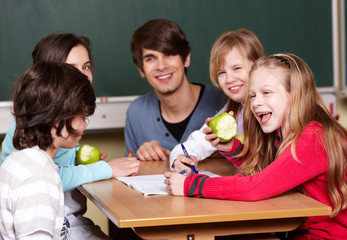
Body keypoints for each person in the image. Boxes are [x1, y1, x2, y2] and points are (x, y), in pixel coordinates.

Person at [164, 53, 347, 239]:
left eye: (266, 93)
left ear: (296, 94)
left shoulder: (314, 139)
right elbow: (273, 174)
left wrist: (192, 185)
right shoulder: (286, 134)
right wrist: (232, 147)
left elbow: (256, 187)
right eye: (253, 95)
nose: (256, 103)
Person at [1, 33, 140, 239]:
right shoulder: (39, 177)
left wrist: (77, 157)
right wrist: (104, 169)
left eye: (86, 66)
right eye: (82, 117)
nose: (83, 76)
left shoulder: (33, 155)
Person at [0, 62, 96, 239]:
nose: (85, 125)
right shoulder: (39, 177)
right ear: (58, 118)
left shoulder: (21, 158)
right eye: (82, 117)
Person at [125, 18, 227, 161]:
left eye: (169, 54)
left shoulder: (224, 103)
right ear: (140, 69)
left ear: (186, 58)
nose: (161, 66)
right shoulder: (136, 113)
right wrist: (141, 157)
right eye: (150, 59)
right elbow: (129, 172)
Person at [168, 29, 264, 172]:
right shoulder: (232, 112)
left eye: (237, 68)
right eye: (222, 73)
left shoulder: (273, 109)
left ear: (258, 66)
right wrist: (178, 159)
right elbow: (195, 144)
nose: (230, 79)